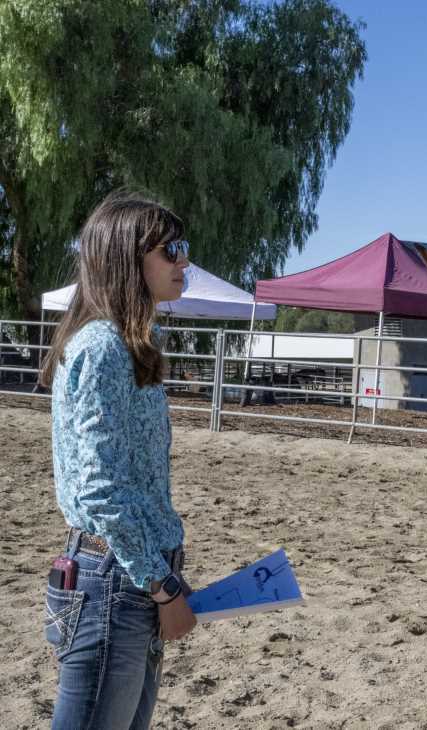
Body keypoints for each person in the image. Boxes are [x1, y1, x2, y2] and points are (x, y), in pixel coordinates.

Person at [40, 191, 196, 729]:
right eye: (170, 249)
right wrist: (160, 584)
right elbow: (98, 491)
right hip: (117, 580)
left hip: (128, 575)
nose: (184, 262)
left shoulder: (125, 344)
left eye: (183, 248)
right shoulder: (104, 346)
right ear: (127, 256)